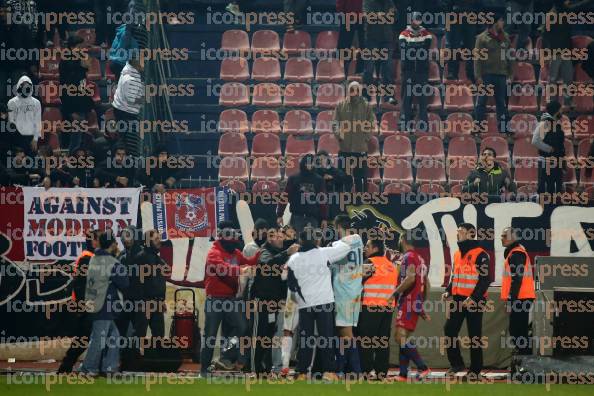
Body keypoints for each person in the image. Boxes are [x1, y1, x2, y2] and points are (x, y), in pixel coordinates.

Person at [286, 226, 351, 380]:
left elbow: (290, 284)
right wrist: (332, 245)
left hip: (305, 304)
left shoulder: (294, 259)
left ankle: (301, 372)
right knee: (326, 337)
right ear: (316, 240)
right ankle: (329, 372)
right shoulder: (323, 253)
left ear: (300, 240)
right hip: (324, 302)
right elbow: (346, 247)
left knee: (306, 339)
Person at [200, 221, 259, 377]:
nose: (235, 241)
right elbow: (224, 270)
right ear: (223, 238)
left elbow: (250, 262)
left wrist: (262, 250)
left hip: (231, 300)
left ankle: (240, 361)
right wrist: (241, 269)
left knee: (243, 327)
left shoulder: (234, 252)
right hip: (215, 301)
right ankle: (204, 369)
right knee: (210, 335)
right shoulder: (214, 252)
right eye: (232, 238)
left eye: (235, 238)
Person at [442, 223, 492, 380]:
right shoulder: (457, 254)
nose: (458, 234)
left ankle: (475, 371)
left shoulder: (481, 254)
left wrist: (473, 298)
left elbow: (485, 280)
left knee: (474, 336)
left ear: (471, 234)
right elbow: (455, 277)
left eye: (461, 232)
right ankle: (457, 364)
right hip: (458, 299)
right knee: (449, 329)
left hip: (475, 301)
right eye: (457, 231)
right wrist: (448, 291)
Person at [251, 227, 300, 375]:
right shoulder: (263, 251)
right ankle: (255, 368)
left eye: (282, 236)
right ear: (270, 238)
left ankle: (265, 368)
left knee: (268, 336)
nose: (281, 239)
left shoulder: (279, 252)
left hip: (274, 302)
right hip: (262, 302)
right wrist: (286, 253)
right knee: (260, 336)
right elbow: (267, 266)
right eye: (278, 237)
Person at [80, 230, 129, 375]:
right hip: (104, 305)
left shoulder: (94, 258)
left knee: (114, 336)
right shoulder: (112, 262)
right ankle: (88, 368)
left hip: (92, 303)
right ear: (113, 244)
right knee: (99, 339)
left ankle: (110, 368)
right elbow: (125, 283)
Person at [57, 229, 99, 373]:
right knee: (84, 338)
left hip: (87, 305)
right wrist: (83, 304)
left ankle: (67, 366)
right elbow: (80, 284)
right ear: (93, 241)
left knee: (84, 338)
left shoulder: (90, 257)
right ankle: (68, 366)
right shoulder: (87, 258)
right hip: (86, 306)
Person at [391, 232, 430, 381]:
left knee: (399, 336)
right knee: (403, 337)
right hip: (414, 303)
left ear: (402, 240)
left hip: (408, 302)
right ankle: (402, 375)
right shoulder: (420, 259)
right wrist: (420, 306)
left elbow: (410, 278)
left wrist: (394, 293)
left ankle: (423, 367)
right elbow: (426, 284)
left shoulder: (408, 257)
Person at [358, 238, 397, 381]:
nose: (365, 248)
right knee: (382, 342)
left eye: (367, 246)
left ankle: (366, 372)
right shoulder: (391, 265)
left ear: (375, 249)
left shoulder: (370, 263)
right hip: (387, 308)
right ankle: (381, 373)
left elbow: (356, 280)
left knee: (366, 341)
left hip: (371, 307)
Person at [330, 214, 364, 376]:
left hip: (343, 293)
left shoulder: (338, 245)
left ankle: (354, 370)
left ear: (338, 227)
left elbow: (329, 257)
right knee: (344, 332)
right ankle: (342, 369)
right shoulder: (358, 239)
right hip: (356, 291)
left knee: (345, 333)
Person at [474, 13, 513, 135]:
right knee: (481, 102)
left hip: (501, 75)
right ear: (495, 22)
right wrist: (478, 76)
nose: (503, 23)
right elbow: (477, 59)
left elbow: (510, 57)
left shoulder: (505, 37)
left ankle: (503, 128)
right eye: (501, 21)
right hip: (486, 75)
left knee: (502, 103)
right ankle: (478, 127)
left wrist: (510, 75)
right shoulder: (482, 38)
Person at [333, 81, 375, 192]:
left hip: (360, 149)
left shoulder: (366, 106)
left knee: (361, 179)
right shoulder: (340, 105)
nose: (354, 92)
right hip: (344, 149)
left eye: (356, 90)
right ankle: (341, 202)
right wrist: (340, 136)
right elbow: (335, 123)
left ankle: (360, 201)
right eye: (352, 89)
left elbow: (371, 123)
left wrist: (365, 138)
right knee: (342, 178)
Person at [500, 226, 535, 356]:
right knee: (518, 331)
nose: (501, 238)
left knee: (517, 331)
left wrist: (510, 300)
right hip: (521, 297)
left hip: (521, 298)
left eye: (504, 236)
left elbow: (517, 279)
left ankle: (526, 361)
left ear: (513, 238)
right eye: (501, 236)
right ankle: (525, 361)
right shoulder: (514, 253)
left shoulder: (516, 254)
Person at [59, 35, 95, 152]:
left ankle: (76, 158)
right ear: (73, 47)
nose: (82, 49)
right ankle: (71, 159)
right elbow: (64, 88)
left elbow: (87, 65)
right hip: (72, 104)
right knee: (75, 136)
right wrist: (70, 111)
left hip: (81, 102)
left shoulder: (79, 60)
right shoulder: (66, 62)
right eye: (79, 47)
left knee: (79, 135)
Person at [399, 11, 432, 133]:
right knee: (406, 99)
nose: (417, 21)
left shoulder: (427, 34)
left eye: (419, 19)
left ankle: (423, 125)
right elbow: (404, 51)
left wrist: (412, 48)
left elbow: (425, 49)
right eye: (415, 19)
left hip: (422, 72)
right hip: (407, 71)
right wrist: (418, 47)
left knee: (423, 100)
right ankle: (404, 124)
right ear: (411, 20)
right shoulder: (403, 34)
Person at [276, 154, 328, 233]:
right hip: (296, 216)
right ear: (303, 163)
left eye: (311, 163)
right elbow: (285, 197)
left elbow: (322, 200)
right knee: (295, 243)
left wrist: (324, 218)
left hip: (312, 218)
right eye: (308, 163)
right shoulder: (293, 178)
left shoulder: (319, 180)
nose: (310, 165)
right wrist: (280, 215)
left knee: (311, 243)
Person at [134, 229, 168, 339]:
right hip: (144, 303)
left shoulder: (157, 258)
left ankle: (155, 356)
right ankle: (134, 355)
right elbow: (137, 283)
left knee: (158, 336)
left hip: (157, 302)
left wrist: (161, 300)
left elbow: (158, 282)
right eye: (156, 239)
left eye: (159, 238)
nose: (159, 241)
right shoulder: (141, 257)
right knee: (139, 335)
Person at [362, 0, 397, 105]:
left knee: (388, 67)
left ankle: (389, 96)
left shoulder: (389, 2)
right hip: (372, 38)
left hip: (387, 39)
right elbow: (367, 16)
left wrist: (379, 16)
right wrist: (382, 16)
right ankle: (366, 95)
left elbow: (395, 16)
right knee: (368, 68)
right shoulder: (368, 2)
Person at [112, 57, 145, 157]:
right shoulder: (131, 79)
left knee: (124, 136)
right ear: (136, 63)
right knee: (127, 138)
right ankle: (126, 158)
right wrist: (144, 98)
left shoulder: (129, 72)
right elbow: (131, 99)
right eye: (142, 61)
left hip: (121, 109)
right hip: (125, 112)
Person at [532, 100, 565, 195]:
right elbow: (535, 140)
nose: (562, 112)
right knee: (546, 192)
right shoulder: (545, 124)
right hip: (546, 163)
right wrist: (549, 149)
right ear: (556, 111)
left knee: (556, 192)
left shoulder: (556, 124)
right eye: (560, 110)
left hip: (556, 162)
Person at [116, 226, 143, 341]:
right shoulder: (121, 256)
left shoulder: (143, 254)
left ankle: (133, 354)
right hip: (124, 300)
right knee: (121, 328)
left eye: (129, 236)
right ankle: (123, 354)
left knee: (137, 330)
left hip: (140, 299)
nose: (126, 239)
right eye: (124, 237)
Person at [444, 0, 477, 82]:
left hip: (470, 14)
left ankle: (471, 73)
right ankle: (453, 73)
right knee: (454, 46)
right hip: (455, 14)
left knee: (471, 47)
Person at [7, 75, 41, 155]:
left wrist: (35, 139)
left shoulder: (36, 103)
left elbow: (38, 122)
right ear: (19, 86)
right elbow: (11, 122)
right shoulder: (12, 102)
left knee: (31, 162)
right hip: (17, 138)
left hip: (31, 138)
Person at [337, 0, 365, 75]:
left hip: (363, 18)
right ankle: (341, 70)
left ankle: (360, 71)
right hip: (347, 16)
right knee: (343, 45)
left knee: (364, 45)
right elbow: (339, 4)